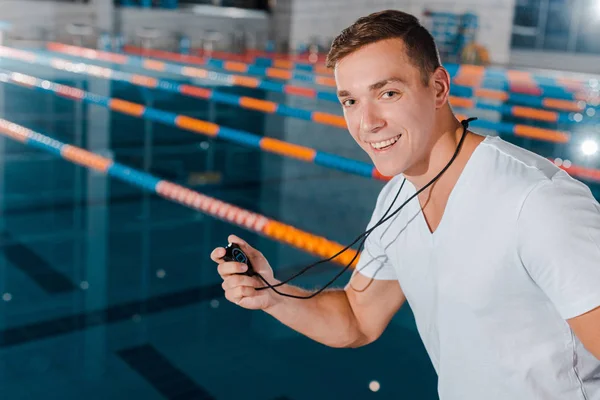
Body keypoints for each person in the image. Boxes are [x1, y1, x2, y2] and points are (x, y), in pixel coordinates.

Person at [211, 9, 600, 399]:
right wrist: (273, 295)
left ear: (439, 88)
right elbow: (357, 319)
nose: (367, 122)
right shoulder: (397, 196)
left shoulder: (537, 202)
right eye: (350, 101)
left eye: (388, 93)